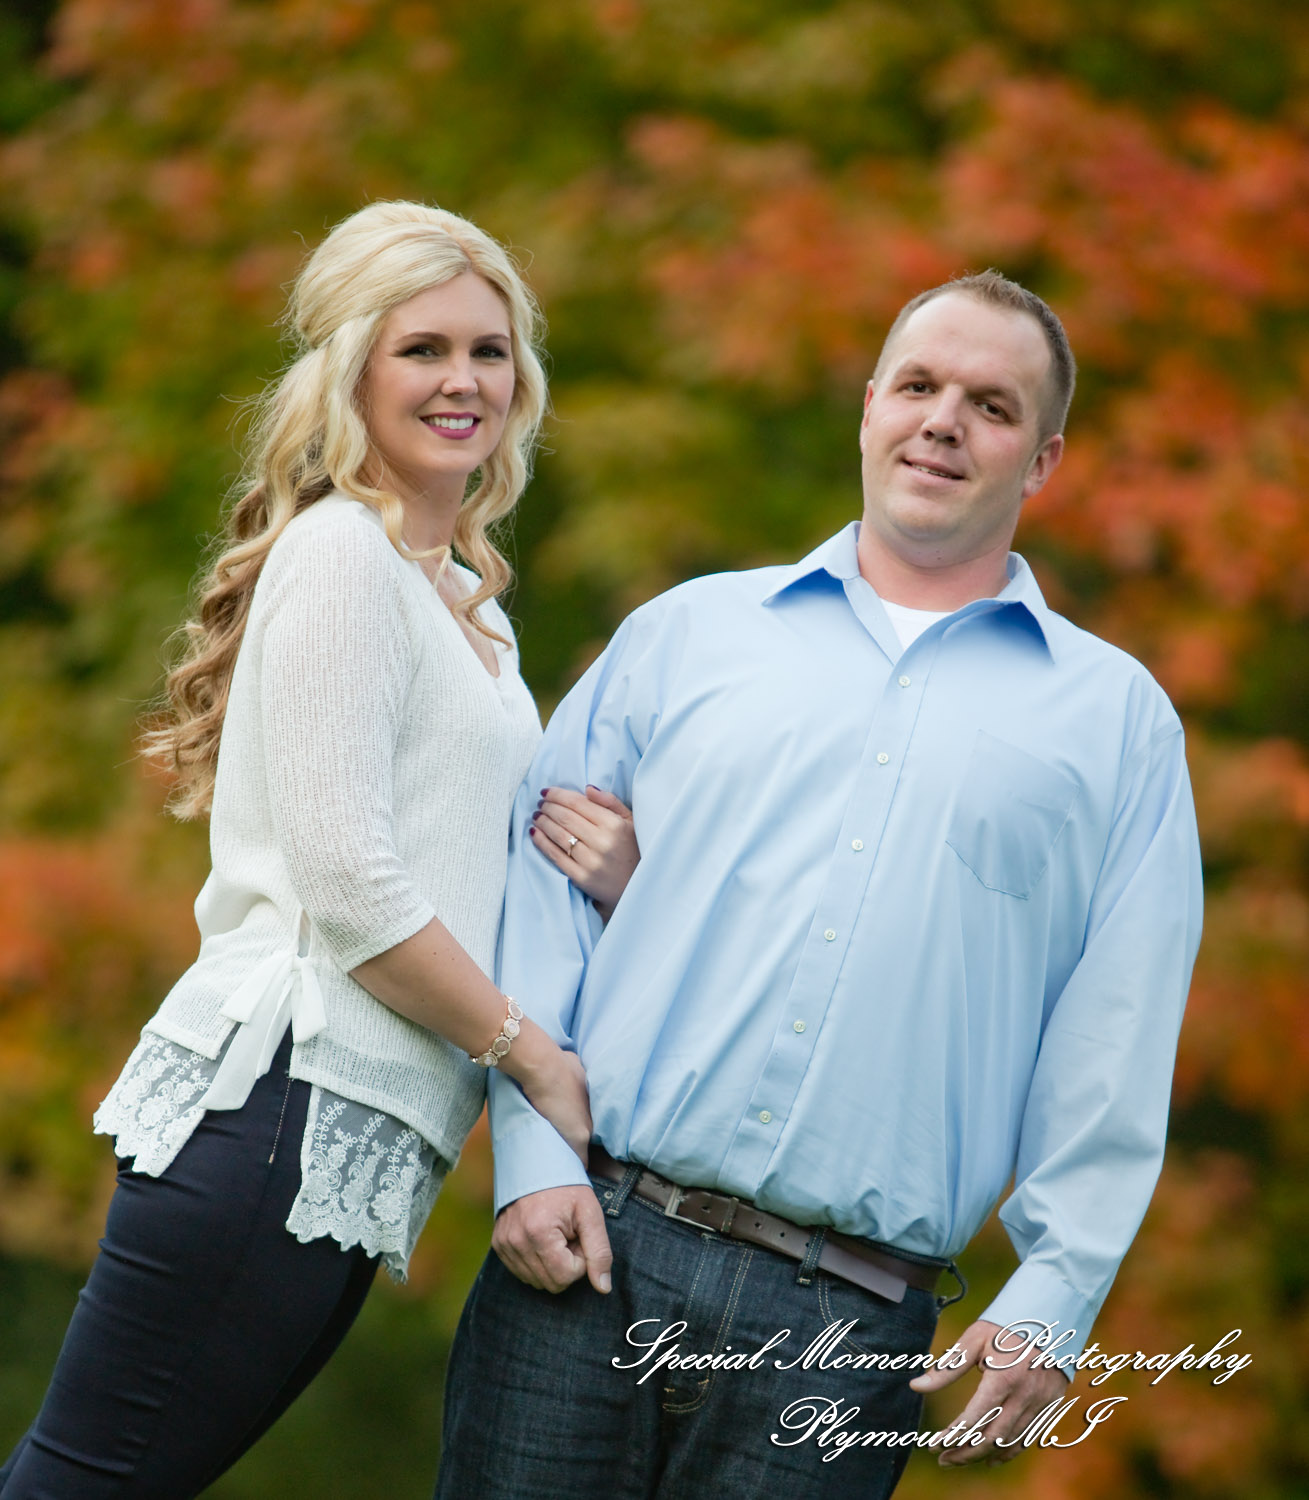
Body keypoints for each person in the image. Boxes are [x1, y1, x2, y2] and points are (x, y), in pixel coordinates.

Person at [435, 271, 1204, 1499]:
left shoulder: (1116, 726)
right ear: (867, 411)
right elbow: (538, 895)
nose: (944, 420)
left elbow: (1114, 1033)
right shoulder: (686, 636)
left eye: (990, 405)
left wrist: (1055, 1294)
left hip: (846, 1336)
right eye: (918, 386)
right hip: (588, 1253)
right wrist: (527, 1153)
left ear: (1043, 458)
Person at [0, 200, 640, 1499]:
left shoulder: (467, 602)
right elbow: (351, 886)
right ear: (350, 369)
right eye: (423, 349)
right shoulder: (344, 556)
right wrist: (537, 1062)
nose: (463, 380)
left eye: (491, 349)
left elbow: (453, 850)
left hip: (340, 1141)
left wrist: (612, 877)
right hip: (277, 1110)